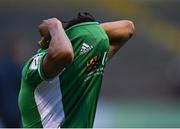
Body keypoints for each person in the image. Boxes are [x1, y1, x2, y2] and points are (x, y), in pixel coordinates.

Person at [18, 12, 135, 128]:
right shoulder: (37, 65)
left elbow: (127, 28)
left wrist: (56, 26)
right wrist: (59, 28)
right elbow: (64, 52)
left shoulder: (78, 65)